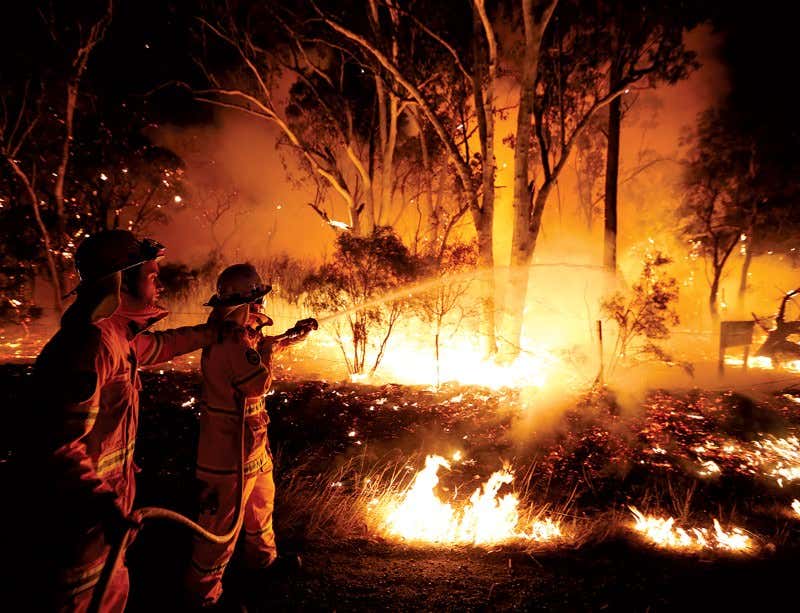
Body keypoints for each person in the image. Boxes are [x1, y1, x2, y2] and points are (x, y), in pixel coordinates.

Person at [30, 230, 226, 612]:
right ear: (120, 280)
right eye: (151, 276)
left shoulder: (117, 336)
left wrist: (213, 332)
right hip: (80, 523)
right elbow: (57, 446)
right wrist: (104, 505)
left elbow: (163, 346)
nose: (158, 285)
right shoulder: (92, 346)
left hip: (103, 519)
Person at [185, 263, 315, 607]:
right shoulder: (231, 339)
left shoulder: (240, 334)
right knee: (220, 528)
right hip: (227, 453)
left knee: (261, 508)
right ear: (244, 303)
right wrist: (271, 353)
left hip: (251, 445)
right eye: (257, 300)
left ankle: (262, 562)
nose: (262, 306)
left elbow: (262, 346)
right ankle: (203, 597)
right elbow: (259, 382)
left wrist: (293, 336)